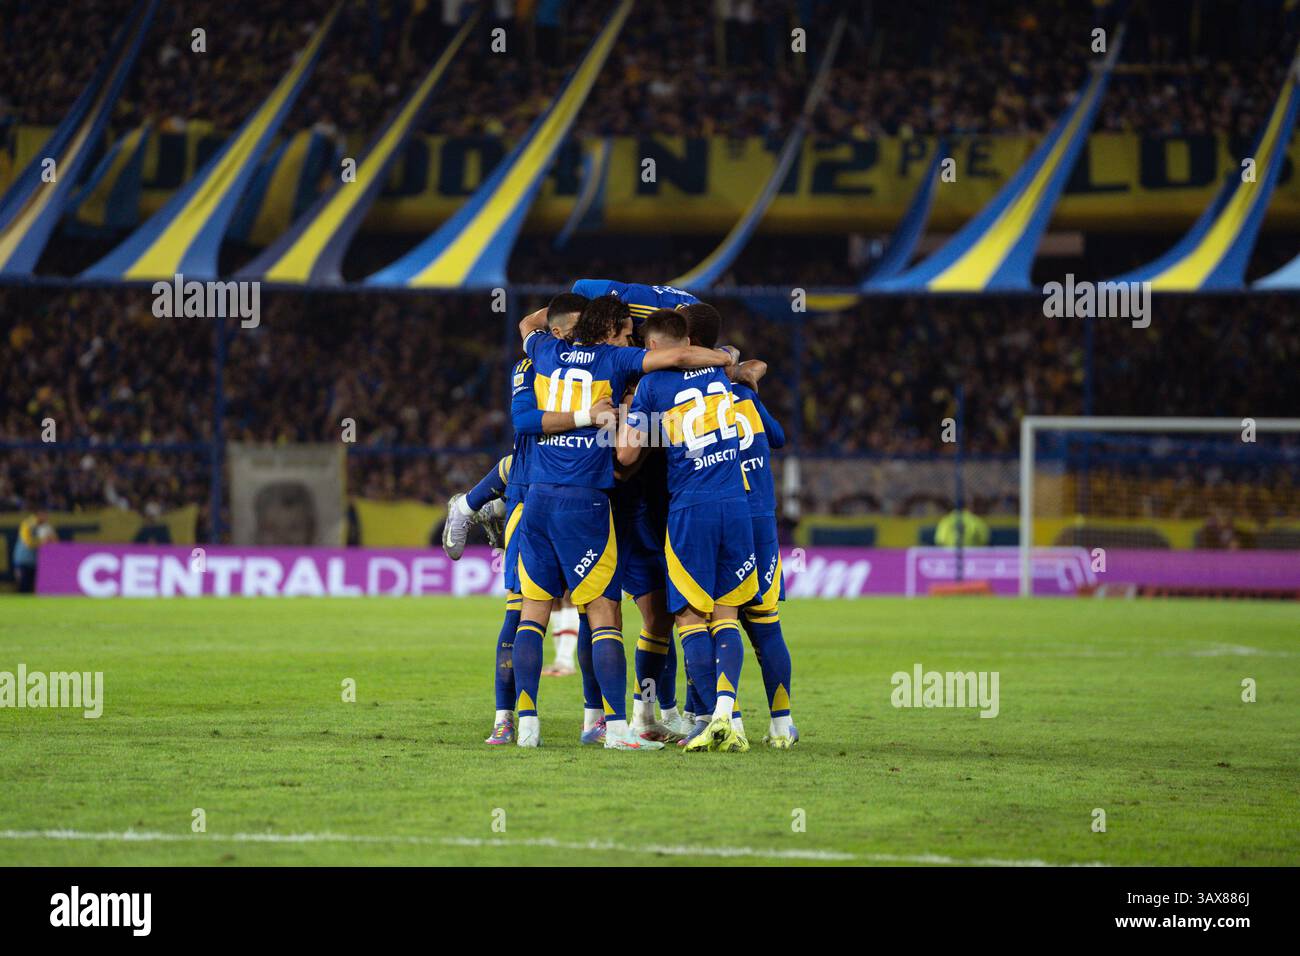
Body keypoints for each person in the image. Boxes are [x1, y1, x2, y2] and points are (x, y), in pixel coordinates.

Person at [512, 295, 735, 750]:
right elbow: (626, 455)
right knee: (608, 614)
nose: (630, 337)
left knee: (547, 611)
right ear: (613, 332)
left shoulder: (545, 350)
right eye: (625, 330)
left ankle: (530, 723)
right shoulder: (622, 362)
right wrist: (728, 360)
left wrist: (581, 294)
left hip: (549, 495)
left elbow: (527, 325)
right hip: (605, 507)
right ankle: (611, 723)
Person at [617, 309, 757, 753]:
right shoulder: (718, 370)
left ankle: (699, 721)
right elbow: (732, 357)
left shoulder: (652, 386)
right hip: (736, 503)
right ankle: (725, 715)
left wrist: (621, 415)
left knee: (689, 617)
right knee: (727, 612)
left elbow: (623, 456)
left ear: (654, 348)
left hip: (690, 509)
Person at [14, 509, 53, 594]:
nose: (46, 518)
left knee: (33, 588)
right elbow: (27, 543)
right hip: (23, 560)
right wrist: (42, 540)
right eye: (44, 515)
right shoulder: (28, 524)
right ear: (39, 514)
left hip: (35, 561)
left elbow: (53, 541)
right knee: (24, 586)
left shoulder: (45, 526)